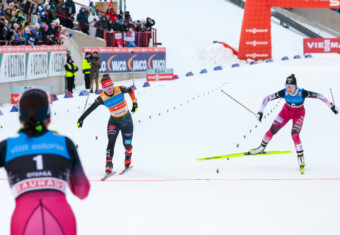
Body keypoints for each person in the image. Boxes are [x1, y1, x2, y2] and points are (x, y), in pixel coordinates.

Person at [0, 88, 90, 235]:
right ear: (49, 118)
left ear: (20, 119)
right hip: (61, 217)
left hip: (23, 219)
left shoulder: (7, 146)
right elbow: (82, 191)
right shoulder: (64, 143)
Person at [249, 74, 339, 174]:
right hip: (285, 112)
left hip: (299, 114)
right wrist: (260, 111)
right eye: (287, 86)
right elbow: (266, 98)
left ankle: (301, 157)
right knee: (272, 130)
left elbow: (319, 96)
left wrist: (331, 106)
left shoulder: (302, 92)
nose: (289, 88)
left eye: (291, 86)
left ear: (296, 86)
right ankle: (261, 147)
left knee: (295, 135)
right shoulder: (284, 92)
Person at [77, 74, 138, 174]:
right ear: (103, 89)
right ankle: (108, 163)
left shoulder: (120, 89)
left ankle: (128, 154)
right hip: (114, 121)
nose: (109, 90)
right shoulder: (101, 98)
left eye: (110, 87)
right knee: (111, 141)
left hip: (127, 120)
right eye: (106, 88)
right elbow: (91, 108)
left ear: (113, 85)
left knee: (127, 145)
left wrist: (135, 103)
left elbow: (130, 90)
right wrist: (81, 119)